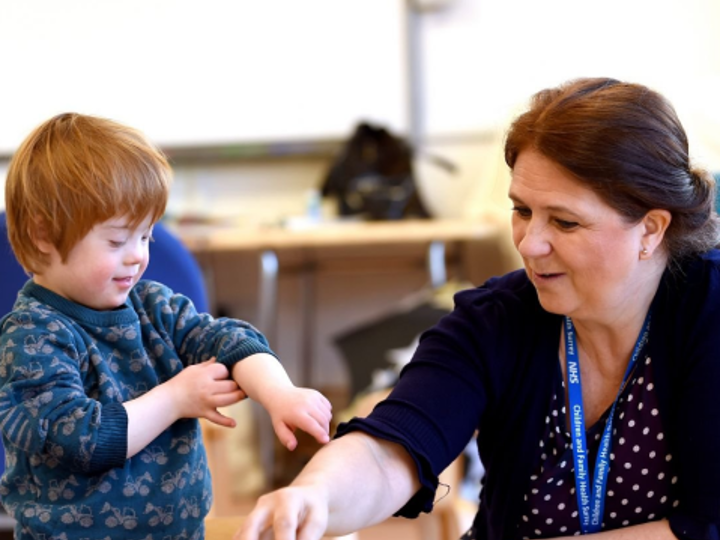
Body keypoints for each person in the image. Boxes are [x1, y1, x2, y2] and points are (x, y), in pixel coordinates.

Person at [236, 77, 720, 540]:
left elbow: (709, 526)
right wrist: (313, 495)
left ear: (652, 229)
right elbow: (393, 449)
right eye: (522, 211)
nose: (530, 245)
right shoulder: (496, 318)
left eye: (566, 222)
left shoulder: (709, 311)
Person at [0, 113, 333, 540]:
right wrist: (176, 398)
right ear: (43, 235)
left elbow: (230, 341)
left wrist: (280, 393)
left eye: (146, 237)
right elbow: (82, 438)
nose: (137, 255)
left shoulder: (154, 307)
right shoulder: (32, 334)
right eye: (118, 240)